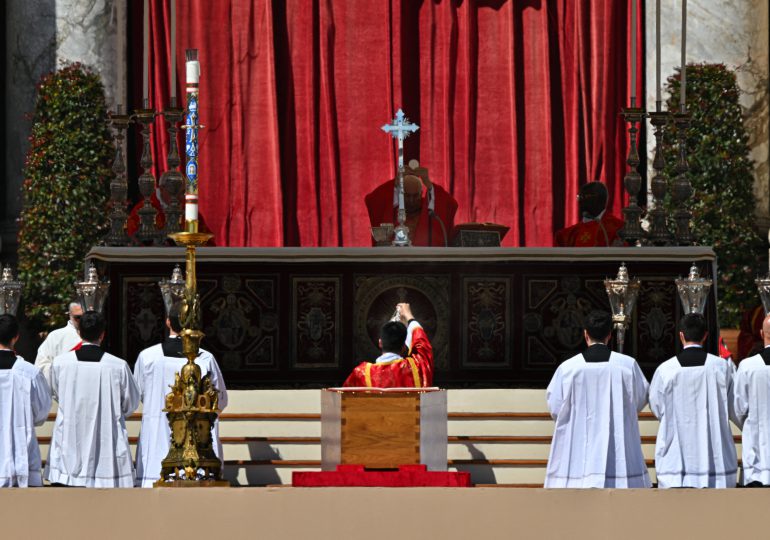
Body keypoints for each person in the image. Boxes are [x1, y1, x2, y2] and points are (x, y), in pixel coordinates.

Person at [544, 310, 650, 488]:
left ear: (585, 334)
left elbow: (555, 407)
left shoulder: (568, 368)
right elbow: (639, 399)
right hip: (617, 443)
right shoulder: (627, 365)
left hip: (577, 446)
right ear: (610, 335)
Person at [133, 306, 228, 487]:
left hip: (158, 428)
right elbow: (219, 400)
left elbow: (139, 394)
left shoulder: (148, 357)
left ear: (168, 321)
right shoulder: (205, 359)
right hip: (199, 435)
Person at [45, 311, 140, 487]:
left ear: (79, 333)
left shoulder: (60, 363)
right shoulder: (118, 366)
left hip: (70, 443)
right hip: (106, 445)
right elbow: (130, 403)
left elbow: (58, 394)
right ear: (102, 335)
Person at [649, 313, 740, 488]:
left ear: (681, 335)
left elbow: (657, 407)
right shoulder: (721, 367)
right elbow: (733, 405)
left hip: (676, 456)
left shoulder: (665, 369)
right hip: (714, 456)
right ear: (705, 335)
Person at [0, 314, 51, 487]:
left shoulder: (29, 372)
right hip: (21, 451)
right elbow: (42, 411)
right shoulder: (30, 372)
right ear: (16, 337)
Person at [365, 160, 458, 246]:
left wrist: (429, 184)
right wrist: (395, 182)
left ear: (421, 193)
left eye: (415, 196)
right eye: (407, 195)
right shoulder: (393, 208)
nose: (411, 200)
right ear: (400, 194)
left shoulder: (430, 211)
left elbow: (450, 205)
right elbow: (373, 201)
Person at [343, 303, 433, 388]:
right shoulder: (415, 369)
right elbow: (423, 347)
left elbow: (344, 399)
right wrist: (409, 317)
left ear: (380, 343)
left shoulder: (360, 373)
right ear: (404, 347)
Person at [734, 314, 770, 486]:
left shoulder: (748, 366)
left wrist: (751, 424)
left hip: (758, 449)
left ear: (762, 334)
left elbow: (739, 407)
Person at [554, 181, 624, 247]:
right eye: (579, 197)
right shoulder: (566, 236)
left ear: (600, 199)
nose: (581, 201)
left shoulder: (620, 229)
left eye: (585, 196)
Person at [34, 301, 83, 385]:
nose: (82, 320)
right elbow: (40, 367)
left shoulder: (97, 334)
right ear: (70, 315)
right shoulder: (56, 336)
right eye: (78, 317)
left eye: (84, 317)